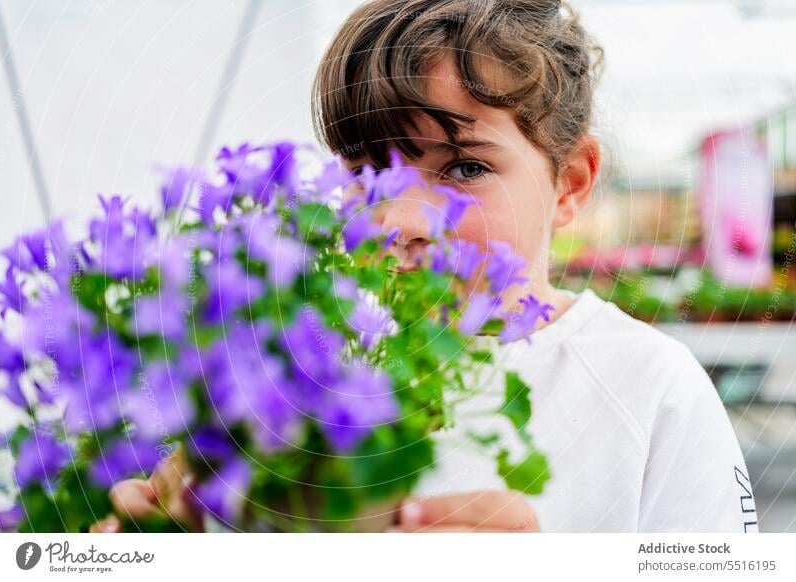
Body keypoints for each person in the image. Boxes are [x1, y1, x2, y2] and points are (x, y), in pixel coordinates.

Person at [92, 0, 758, 533]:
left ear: (571, 184)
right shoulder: (299, 372)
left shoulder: (651, 388)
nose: (399, 219)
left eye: (464, 168)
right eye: (366, 173)